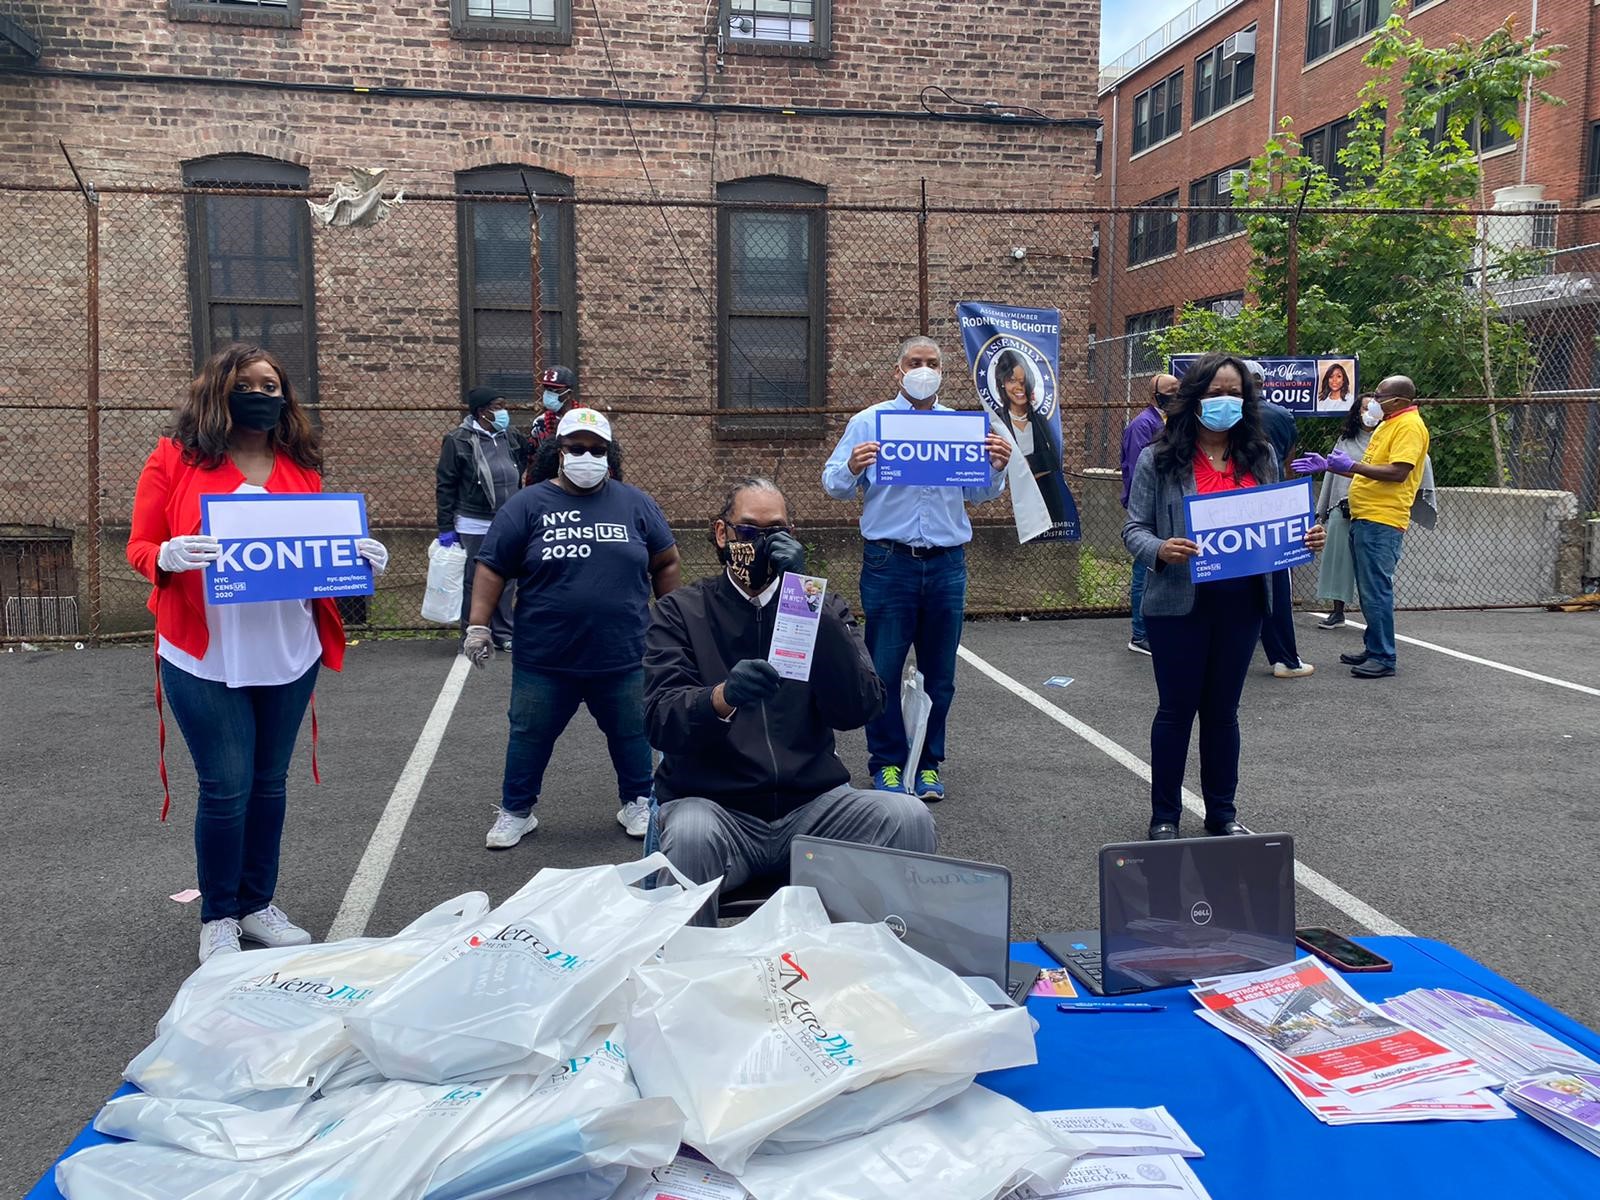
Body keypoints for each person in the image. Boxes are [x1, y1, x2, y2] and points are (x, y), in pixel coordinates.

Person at [127, 344, 390, 963]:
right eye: (247, 383)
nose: (262, 394)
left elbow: (314, 554)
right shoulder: (174, 459)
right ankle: (217, 914)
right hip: (205, 654)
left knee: (270, 784)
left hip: (286, 649)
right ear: (218, 391)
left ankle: (256, 902)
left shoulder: (299, 467)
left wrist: (355, 559)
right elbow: (141, 543)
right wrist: (164, 557)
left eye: (272, 385)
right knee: (225, 787)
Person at [644, 478, 936, 925]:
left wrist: (805, 598)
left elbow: (859, 707)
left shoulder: (824, 606)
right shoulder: (680, 611)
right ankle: (688, 969)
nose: (762, 543)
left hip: (812, 809)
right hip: (719, 810)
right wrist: (720, 698)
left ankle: (900, 967)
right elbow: (660, 719)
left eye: (776, 531)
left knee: (907, 816)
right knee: (690, 832)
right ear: (722, 535)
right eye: (749, 530)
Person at [1123, 353, 1325, 839]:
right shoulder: (1159, 457)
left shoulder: (1261, 455)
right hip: (1178, 604)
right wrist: (1161, 549)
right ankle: (1165, 817)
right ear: (1194, 399)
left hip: (1243, 604)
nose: (1225, 401)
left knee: (1222, 713)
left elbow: (1277, 523)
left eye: (1234, 393)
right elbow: (1133, 528)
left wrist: (1305, 536)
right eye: (1215, 393)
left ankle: (1223, 814)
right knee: (1175, 712)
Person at [466, 407, 681, 846]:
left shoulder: (635, 502)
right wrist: (478, 626)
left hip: (623, 652)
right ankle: (516, 810)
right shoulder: (527, 504)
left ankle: (638, 800)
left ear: (609, 454)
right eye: (577, 448)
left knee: (632, 733)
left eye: (597, 449)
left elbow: (666, 560)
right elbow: (492, 567)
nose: (587, 456)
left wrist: (670, 619)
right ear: (558, 452)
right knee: (529, 735)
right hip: (545, 657)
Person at [821, 335, 1012, 800]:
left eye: (931, 363)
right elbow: (833, 485)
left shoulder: (963, 426)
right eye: (914, 362)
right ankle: (886, 762)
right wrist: (851, 464)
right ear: (897, 371)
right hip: (890, 561)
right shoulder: (869, 422)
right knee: (883, 668)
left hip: (947, 563)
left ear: (943, 372)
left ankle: (927, 763)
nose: (923, 369)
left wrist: (998, 467)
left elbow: (979, 494)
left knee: (940, 673)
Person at [1293, 376, 1429, 679]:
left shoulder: (1408, 426)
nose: (1374, 402)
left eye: (1380, 396)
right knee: (1369, 590)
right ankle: (1374, 646)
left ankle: (1383, 656)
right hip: (1365, 516)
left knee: (1375, 589)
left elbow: (1398, 472)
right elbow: (1371, 468)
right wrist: (1330, 465)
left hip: (1382, 519)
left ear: (1399, 400)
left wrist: (1350, 467)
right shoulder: (1388, 424)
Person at [434, 386, 530, 651]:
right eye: (498, 407)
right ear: (481, 411)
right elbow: (446, 484)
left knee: (508, 576)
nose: (504, 412)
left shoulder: (510, 435)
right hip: (473, 520)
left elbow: (520, 463)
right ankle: (472, 631)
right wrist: (445, 526)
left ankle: (503, 632)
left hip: (506, 518)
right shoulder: (458, 440)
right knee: (475, 577)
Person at [1244, 359, 1314, 680]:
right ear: (1263, 382)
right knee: (1275, 580)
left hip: (1225, 509)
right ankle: (1285, 657)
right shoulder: (1282, 416)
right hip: (1271, 506)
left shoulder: (1212, 419)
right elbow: (1287, 462)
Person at [1120, 372, 1180, 656]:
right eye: (1169, 391)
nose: (1174, 396)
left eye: (1178, 390)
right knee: (1144, 568)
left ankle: (1154, 628)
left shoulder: (1174, 422)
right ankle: (1140, 632)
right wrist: (1141, 510)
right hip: (1148, 510)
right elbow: (1136, 471)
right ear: (1154, 395)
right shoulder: (1142, 425)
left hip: (1168, 510)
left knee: (1159, 569)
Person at [1313, 393, 1379, 629]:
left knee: (1371, 567)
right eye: (1364, 408)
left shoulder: (1386, 438)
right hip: (1343, 505)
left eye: (1373, 408)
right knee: (1337, 561)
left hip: (1373, 510)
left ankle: (1375, 618)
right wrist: (1322, 509)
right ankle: (1337, 611)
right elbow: (1332, 471)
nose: (1368, 413)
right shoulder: (1345, 440)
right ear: (1356, 412)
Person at [994, 348, 1071, 525]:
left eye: (1023, 380)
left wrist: (1024, 464)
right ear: (1002, 383)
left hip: (1046, 499)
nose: (1019, 387)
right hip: (1011, 505)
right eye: (1012, 380)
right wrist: (1034, 464)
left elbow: (1053, 460)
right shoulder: (997, 421)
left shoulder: (1041, 421)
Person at [527, 365, 576, 460]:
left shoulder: (584, 419)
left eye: (554, 390)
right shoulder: (540, 422)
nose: (549, 393)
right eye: (547, 389)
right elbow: (532, 458)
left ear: (569, 393)